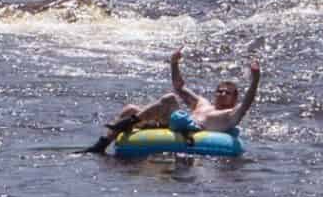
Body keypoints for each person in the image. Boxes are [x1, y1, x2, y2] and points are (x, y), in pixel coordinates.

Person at [95, 50, 261, 153]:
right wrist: (174, 63)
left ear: (235, 97)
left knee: (169, 99)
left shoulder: (229, 115)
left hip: (187, 131)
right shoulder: (203, 104)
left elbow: (247, 103)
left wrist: (255, 80)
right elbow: (179, 87)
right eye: (219, 91)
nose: (222, 94)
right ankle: (101, 145)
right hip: (170, 126)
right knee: (130, 108)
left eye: (227, 92)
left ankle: (128, 123)